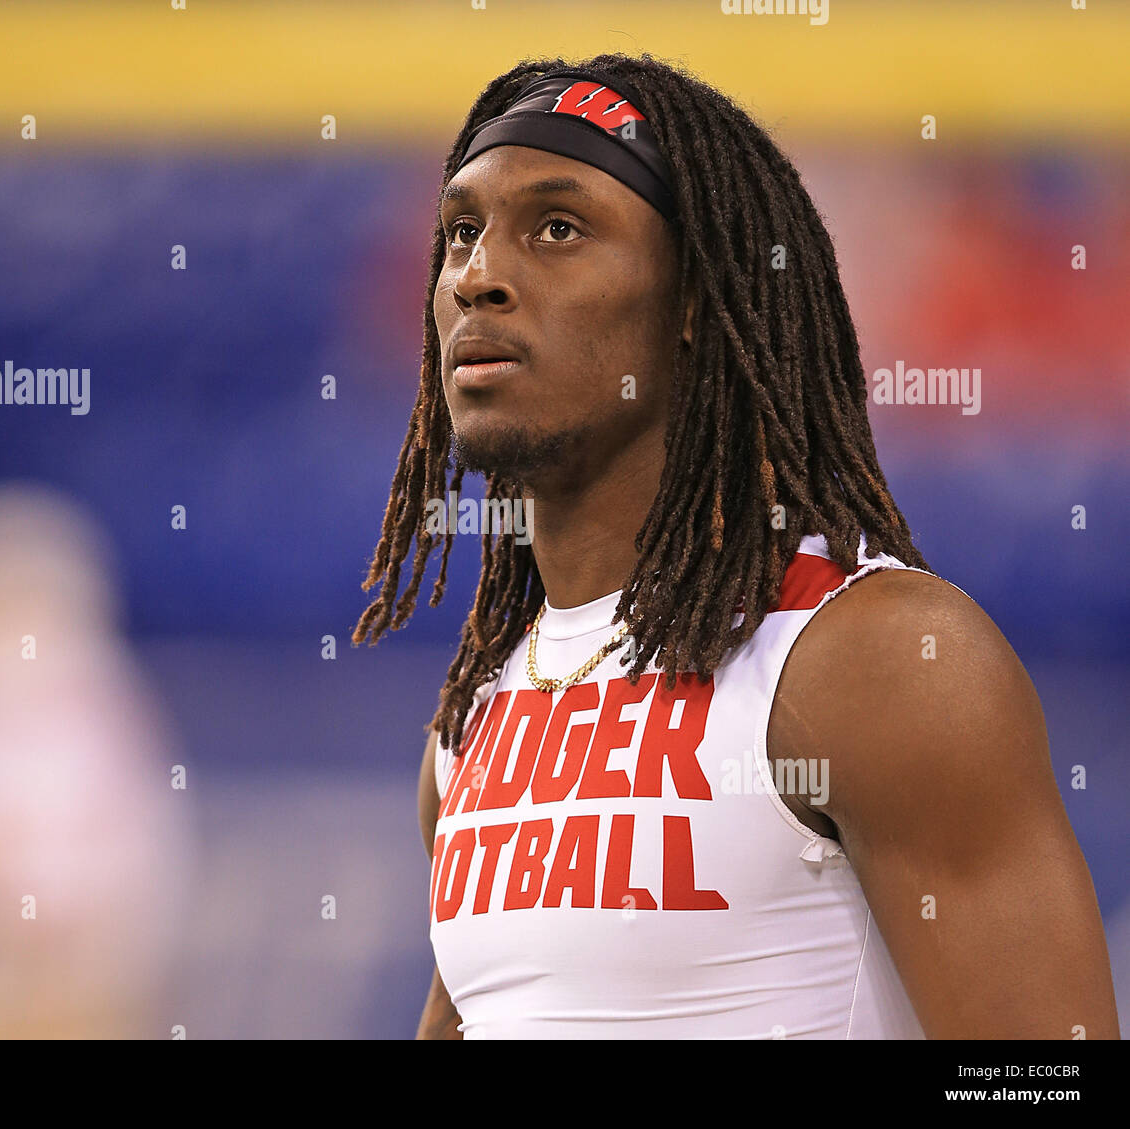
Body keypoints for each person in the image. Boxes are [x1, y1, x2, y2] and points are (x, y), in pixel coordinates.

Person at [352, 53, 1119, 1039]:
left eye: (557, 228)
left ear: (693, 304)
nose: (478, 276)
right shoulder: (474, 723)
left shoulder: (872, 659)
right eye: (461, 232)